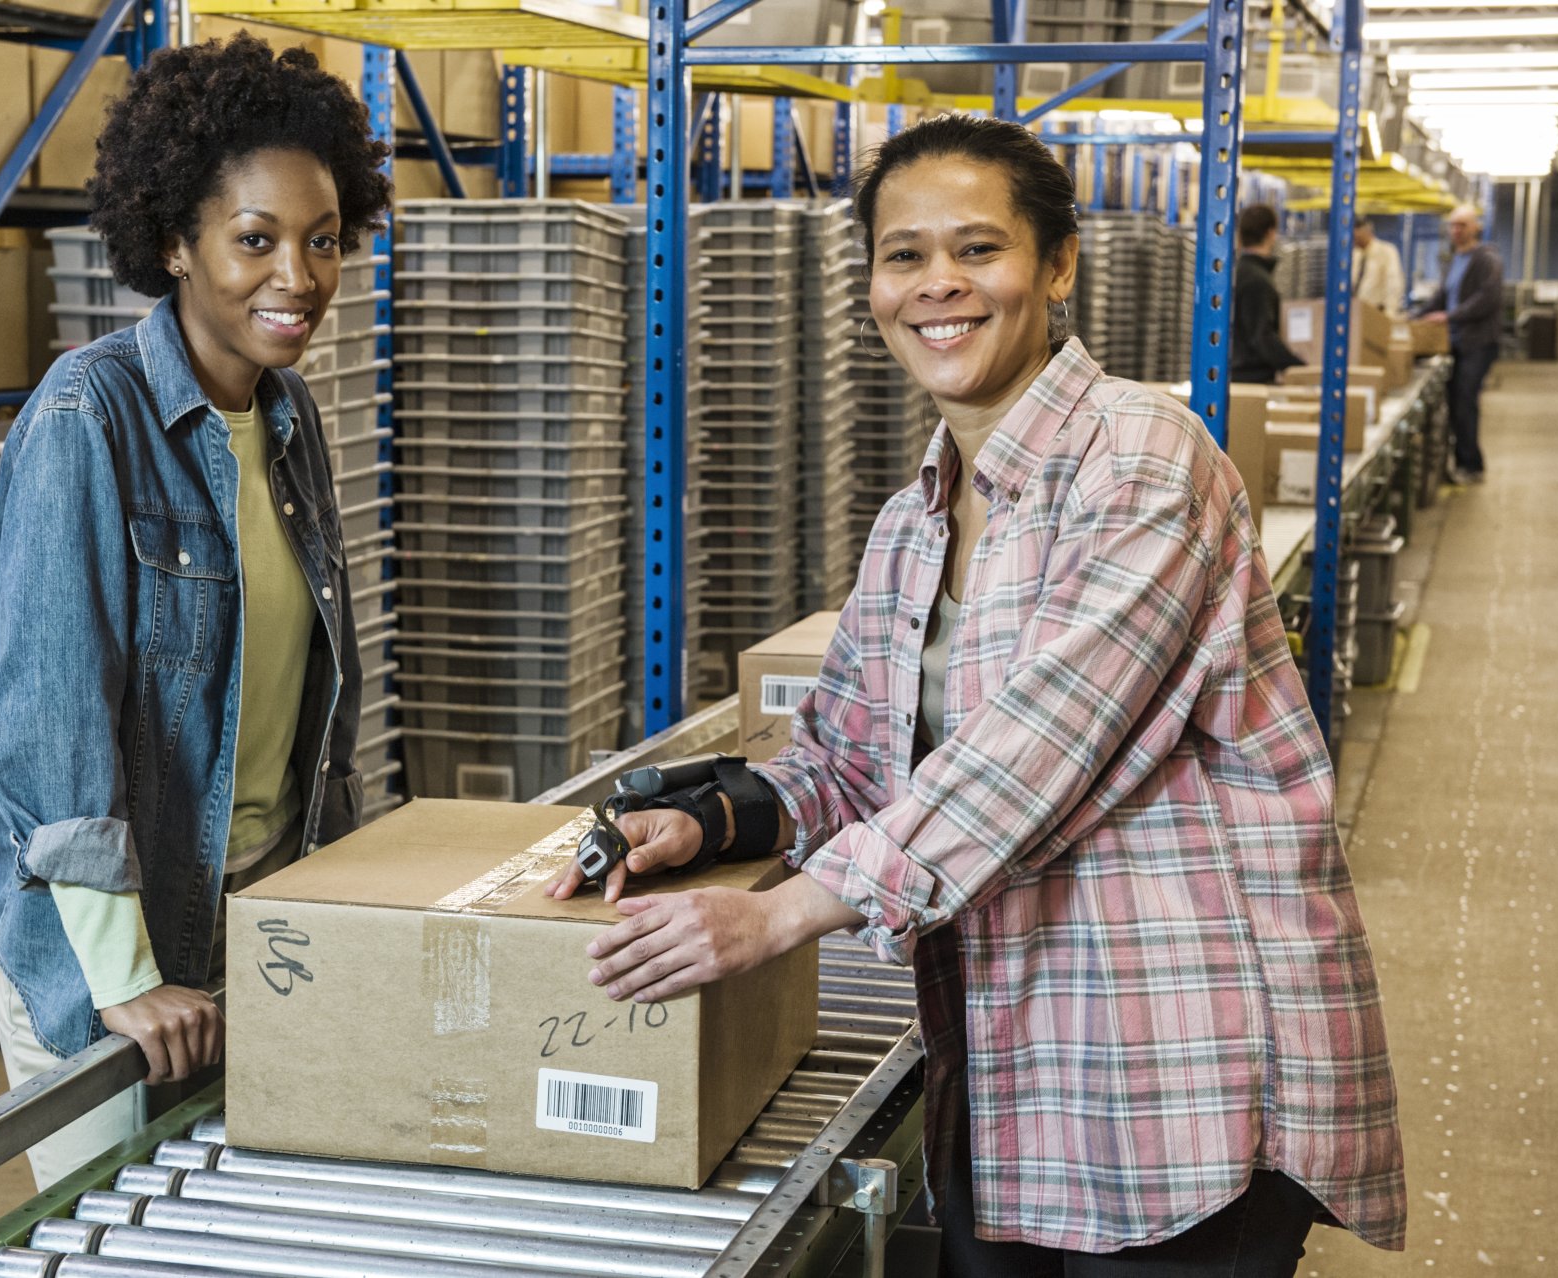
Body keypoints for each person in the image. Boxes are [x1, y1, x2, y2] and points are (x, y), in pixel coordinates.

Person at [551, 113, 1406, 1275]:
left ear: (1057, 266)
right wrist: (714, 821)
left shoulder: (1144, 461)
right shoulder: (916, 521)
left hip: (1177, 1075)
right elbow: (851, 760)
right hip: (1011, 1071)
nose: (937, 285)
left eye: (978, 249)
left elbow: (1035, 748)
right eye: (904, 255)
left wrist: (781, 914)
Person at [0, 33, 391, 1189]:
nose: (299, 275)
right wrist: (124, 974)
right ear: (176, 244)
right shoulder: (89, 418)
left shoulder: (290, 422)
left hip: (251, 923)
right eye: (255, 239)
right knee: (111, 1244)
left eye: (324, 239)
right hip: (105, 952)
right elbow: (47, 728)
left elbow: (298, 713)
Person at [1417, 203, 1502, 482]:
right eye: (1452, 225)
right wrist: (1413, 317)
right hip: (1456, 342)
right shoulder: (1456, 258)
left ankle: (1472, 466)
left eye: (1462, 225)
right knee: (1455, 401)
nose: (1456, 230)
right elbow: (1441, 297)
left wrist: (1450, 316)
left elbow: (1487, 299)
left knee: (1465, 401)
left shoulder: (1486, 259)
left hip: (1478, 343)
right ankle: (1461, 460)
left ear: (1475, 227)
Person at [1231, 202, 1306, 384]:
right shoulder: (1258, 280)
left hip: (1235, 376)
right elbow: (1262, 337)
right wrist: (1299, 368)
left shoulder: (1235, 273)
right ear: (1270, 233)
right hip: (1251, 380)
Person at [1352, 215, 1406, 318]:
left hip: (1377, 312)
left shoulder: (1386, 251)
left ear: (1367, 231)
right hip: (1357, 313)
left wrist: (1389, 314)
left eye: (1356, 237)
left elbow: (1394, 284)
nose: (1354, 240)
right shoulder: (1355, 255)